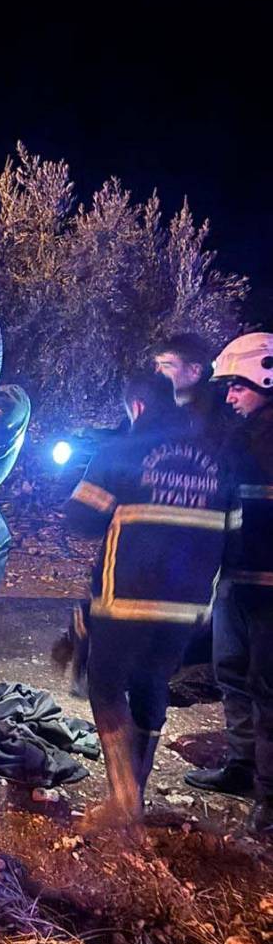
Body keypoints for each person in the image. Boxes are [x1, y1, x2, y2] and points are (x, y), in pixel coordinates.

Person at [65, 370, 235, 833]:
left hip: (127, 598)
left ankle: (123, 803)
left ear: (135, 407)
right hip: (189, 606)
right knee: (152, 684)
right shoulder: (215, 455)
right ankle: (134, 793)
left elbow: (80, 517)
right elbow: (234, 527)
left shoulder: (124, 448)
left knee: (105, 686)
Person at [184, 333, 273, 835]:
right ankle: (241, 769)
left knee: (268, 690)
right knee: (233, 676)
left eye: (237, 387)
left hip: (269, 591)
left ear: (265, 377)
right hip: (238, 581)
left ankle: (271, 800)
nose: (231, 397)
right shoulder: (239, 439)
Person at [151, 332, 233, 441]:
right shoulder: (160, 423)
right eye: (157, 365)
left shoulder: (226, 420)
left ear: (194, 371)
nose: (157, 372)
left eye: (166, 365)